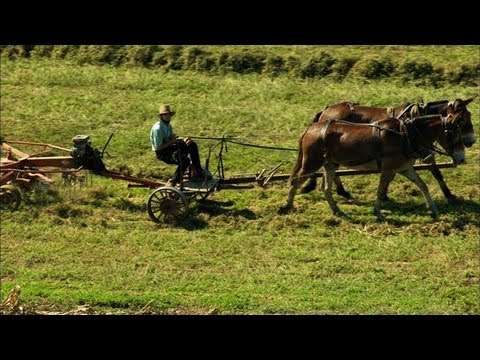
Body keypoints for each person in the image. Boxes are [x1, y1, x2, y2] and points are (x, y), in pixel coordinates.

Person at [150, 104, 205, 186]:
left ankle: (198, 171)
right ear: (161, 116)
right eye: (165, 114)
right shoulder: (157, 129)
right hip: (163, 153)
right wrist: (172, 141)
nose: (168, 116)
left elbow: (173, 138)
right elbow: (158, 148)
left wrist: (183, 140)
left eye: (169, 114)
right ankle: (172, 181)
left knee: (191, 144)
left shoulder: (168, 125)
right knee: (184, 161)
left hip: (170, 148)